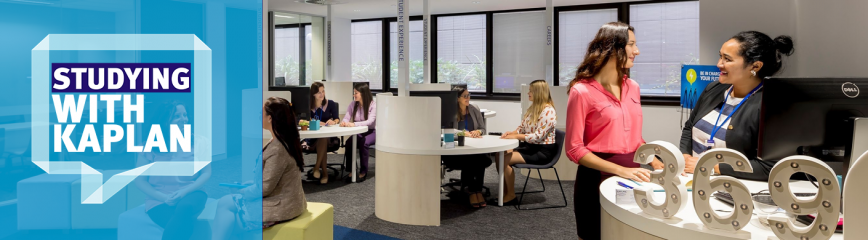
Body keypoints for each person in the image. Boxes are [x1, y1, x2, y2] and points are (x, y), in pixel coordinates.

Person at [564, 22, 648, 240]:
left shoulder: (634, 87)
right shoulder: (581, 91)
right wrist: (620, 170)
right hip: (595, 178)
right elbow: (574, 149)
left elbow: (635, 137)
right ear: (613, 48)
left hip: (632, 178)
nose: (637, 51)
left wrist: (657, 157)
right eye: (631, 45)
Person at [675, 31, 794, 181]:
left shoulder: (771, 106)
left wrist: (712, 167)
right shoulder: (713, 88)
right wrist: (685, 157)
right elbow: (689, 127)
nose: (719, 64)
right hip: (693, 181)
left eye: (727, 59)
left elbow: (770, 167)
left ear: (755, 66)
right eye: (720, 56)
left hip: (733, 187)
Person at [211, 97, 307, 240]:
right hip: (288, 199)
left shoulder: (278, 149)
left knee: (225, 206)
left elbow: (265, 188)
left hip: (282, 207)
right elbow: (271, 179)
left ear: (270, 118)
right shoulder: (283, 140)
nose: (258, 116)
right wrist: (250, 184)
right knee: (225, 203)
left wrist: (243, 191)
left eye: (261, 113)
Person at [134, 101, 211, 240]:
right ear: (164, 121)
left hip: (192, 192)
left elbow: (206, 173)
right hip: (158, 199)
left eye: (185, 115)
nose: (184, 119)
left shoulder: (200, 142)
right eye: (177, 116)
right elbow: (140, 181)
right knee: (182, 225)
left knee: (185, 209)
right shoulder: (148, 146)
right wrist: (163, 198)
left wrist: (183, 193)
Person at [496, 79, 557, 206]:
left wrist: (516, 136)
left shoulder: (548, 111)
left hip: (542, 151)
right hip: (530, 147)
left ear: (539, 93)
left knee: (504, 160)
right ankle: (505, 192)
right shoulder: (533, 108)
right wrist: (511, 133)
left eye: (531, 91)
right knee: (500, 155)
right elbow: (522, 127)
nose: (528, 93)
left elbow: (537, 137)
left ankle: (510, 195)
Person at [441, 85, 490, 207]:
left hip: (473, 148)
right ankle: (473, 191)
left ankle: (476, 190)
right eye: (465, 96)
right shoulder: (449, 111)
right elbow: (446, 131)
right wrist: (464, 134)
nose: (468, 98)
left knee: (481, 158)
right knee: (474, 159)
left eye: (469, 95)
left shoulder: (474, 108)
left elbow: (482, 128)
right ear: (457, 98)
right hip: (454, 151)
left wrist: (478, 132)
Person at [301, 82, 341, 184]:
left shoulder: (330, 103)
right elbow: (302, 121)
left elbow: (337, 119)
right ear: (313, 94)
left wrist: (334, 121)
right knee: (322, 139)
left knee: (323, 138)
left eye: (323, 91)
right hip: (313, 138)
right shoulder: (308, 106)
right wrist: (313, 122)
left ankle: (317, 168)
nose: (322, 94)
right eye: (319, 92)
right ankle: (324, 174)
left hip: (329, 137)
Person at [341, 82, 376, 182]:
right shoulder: (353, 104)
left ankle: (363, 171)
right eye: (354, 92)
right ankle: (351, 170)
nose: (354, 95)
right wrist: (344, 122)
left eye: (356, 93)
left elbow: (370, 122)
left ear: (363, 93)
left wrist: (354, 124)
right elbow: (346, 117)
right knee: (349, 143)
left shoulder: (373, 105)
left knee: (364, 143)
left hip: (372, 131)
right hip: (359, 132)